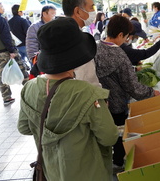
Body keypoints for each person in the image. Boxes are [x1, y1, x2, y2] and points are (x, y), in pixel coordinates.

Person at [18, 17, 118, 181]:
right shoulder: (88, 93)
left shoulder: (29, 88)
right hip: (89, 173)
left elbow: (24, 128)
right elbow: (109, 137)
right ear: (77, 54)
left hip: (52, 172)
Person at [95, 15, 160, 173]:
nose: (126, 40)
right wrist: (152, 92)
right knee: (119, 135)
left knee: (104, 134)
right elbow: (133, 87)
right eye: (126, 37)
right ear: (120, 35)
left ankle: (105, 162)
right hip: (117, 103)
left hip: (101, 102)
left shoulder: (96, 47)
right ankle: (117, 163)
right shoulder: (119, 56)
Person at [0, 0, 29, 106]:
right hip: (7, 51)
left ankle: (6, 97)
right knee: (22, 70)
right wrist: (12, 50)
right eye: (1, 6)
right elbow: (6, 36)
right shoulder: (0, 19)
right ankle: (31, 92)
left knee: (2, 75)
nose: (3, 8)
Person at [62, 0, 101, 88]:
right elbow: (87, 80)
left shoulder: (63, 33)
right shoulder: (78, 40)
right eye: (91, 7)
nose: (94, 12)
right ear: (78, 11)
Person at [8, 4, 30, 69]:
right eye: (21, 11)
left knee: (20, 63)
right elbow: (28, 32)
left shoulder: (9, 22)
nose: (22, 12)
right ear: (19, 12)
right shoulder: (23, 20)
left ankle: (24, 76)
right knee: (32, 62)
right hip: (25, 44)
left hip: (15, 46)